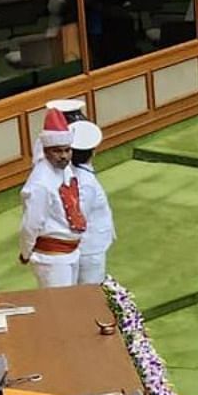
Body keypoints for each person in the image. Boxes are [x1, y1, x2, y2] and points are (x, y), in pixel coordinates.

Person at [19, 109, 90, 288]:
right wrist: (25, 252)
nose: (64, 156)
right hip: (52, 258)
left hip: (72, 252)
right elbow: (31, 224)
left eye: (67, 150)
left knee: (71, 305)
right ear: (46, 151)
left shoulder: (65, 169)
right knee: (60, 310)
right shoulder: (40, 183)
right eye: (57, 151)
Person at [68, 121, 113, 285]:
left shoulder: (78, 174)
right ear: (93, 151)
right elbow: (79, 217)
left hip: (88, 246)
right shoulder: (84, 181)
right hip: (88, 249)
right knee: (90, 296)